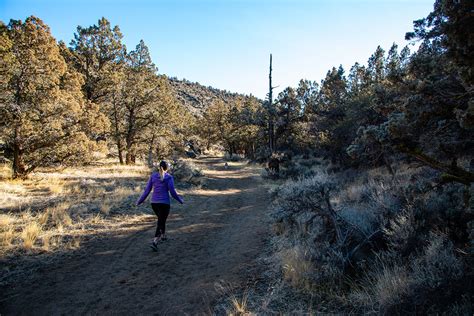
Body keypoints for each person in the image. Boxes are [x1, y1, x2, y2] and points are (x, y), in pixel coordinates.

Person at [136, 160, 184, 251]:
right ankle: (155, 242)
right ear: (167, 168)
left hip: (154, 203)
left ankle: (163, 235)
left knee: (161, 219)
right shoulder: (169, 177)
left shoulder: (153, 176)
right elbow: (173, 192)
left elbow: (147, 191)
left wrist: (139, 201)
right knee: (161, 221)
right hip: (164, 203)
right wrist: (180, 200)